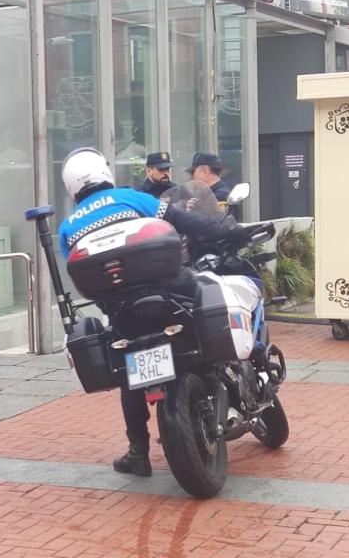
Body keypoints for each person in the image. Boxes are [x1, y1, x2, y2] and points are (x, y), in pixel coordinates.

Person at [56, 147, 248, 477]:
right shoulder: (129, 197)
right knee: (206, 307)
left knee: (131, 372)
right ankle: (229, 391)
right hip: (168, 291)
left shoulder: (66, 227)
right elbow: (183, 220)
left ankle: (138, 452)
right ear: (104, 172)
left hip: (121, 310)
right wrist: (227, 231)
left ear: (70, 186)